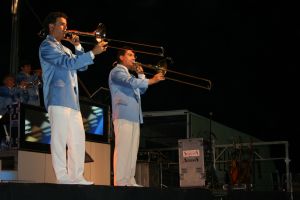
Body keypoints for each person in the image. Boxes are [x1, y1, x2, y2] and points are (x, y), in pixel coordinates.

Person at [39, 11, 107, 185]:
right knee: (59, 140)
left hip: (72, 100)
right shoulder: (47, 46)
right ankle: (62, 177)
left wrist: (78, 47)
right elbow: (67, 64)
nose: (65, 28)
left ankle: (77, 176)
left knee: (77, 140)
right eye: (62, 24)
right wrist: (93, 53)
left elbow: (81, 67)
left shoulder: (66, 48)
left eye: (65, 25)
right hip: (58, 98)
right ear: (51, 27)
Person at [108, 47, 165, 186]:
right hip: (123, 115)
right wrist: (152, 80)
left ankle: (129, 179)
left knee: (132, 151)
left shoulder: (131, 76)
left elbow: (142, 89)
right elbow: (130, 83)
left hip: (134, 116)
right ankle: (121, 181)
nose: (134, 58)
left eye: (134, 55)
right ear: (121, 57)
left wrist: (141, 76)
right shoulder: (116, 72)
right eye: (130, 55)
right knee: (123, 150)